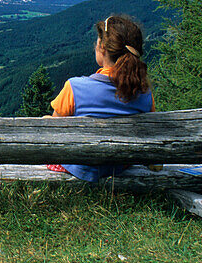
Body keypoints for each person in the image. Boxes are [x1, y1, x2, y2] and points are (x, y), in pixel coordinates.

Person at [47, 14, 153, 182]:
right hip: (119, 166)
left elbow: (55, 133)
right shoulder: (145, 94)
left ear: (102, 48)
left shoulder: (75, 88)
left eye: (97, 42)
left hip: (81, 166)